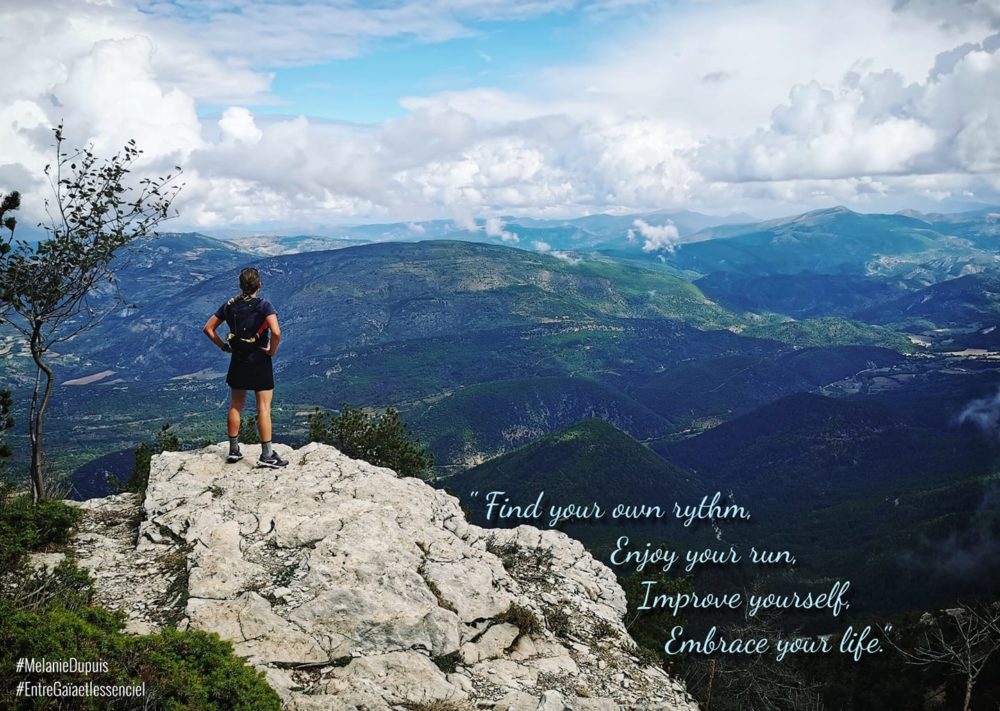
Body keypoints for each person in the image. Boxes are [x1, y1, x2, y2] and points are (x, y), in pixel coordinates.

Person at [202, 267, 288, 468]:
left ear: (241, 285)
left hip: (238, 359)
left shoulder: (230, 305)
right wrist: (272, 351)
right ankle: (267, 455)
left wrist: (224, 347)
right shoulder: (264, 306)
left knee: (235, 405)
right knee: (264, 408)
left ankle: (233, 450)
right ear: (259, 284)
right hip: (260, 359)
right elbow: (276, 332)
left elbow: (208, 328)